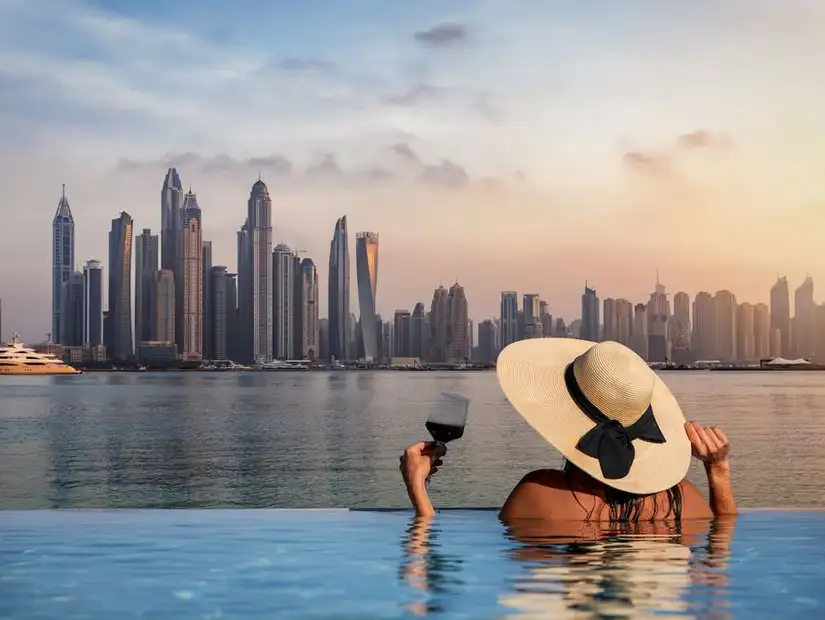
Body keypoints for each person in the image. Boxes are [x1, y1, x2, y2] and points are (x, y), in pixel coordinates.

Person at [400, 339, 737, 522]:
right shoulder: (685, 501)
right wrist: (718, 472)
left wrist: (418, 491)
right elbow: (721, 552)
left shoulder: (539, 494)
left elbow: (428, 570)